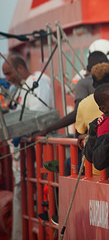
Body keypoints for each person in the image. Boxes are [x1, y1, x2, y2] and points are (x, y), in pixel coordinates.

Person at [2, 53, 54, 240]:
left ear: (21, 68)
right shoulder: (21, 88)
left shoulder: (37, 84)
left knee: (30, 200)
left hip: (33, 156)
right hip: (21, 159)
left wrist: (20, 132)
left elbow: (37, 117)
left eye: (9, 73)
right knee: (19, 200)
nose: (8, 79)